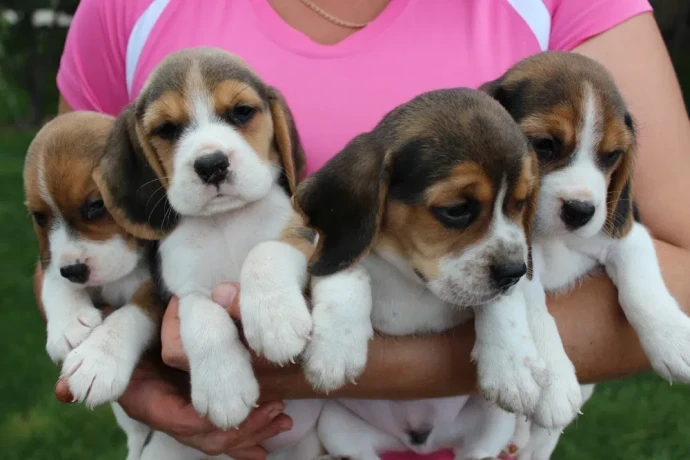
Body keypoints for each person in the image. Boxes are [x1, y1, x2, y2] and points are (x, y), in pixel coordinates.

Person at [37, 0, 690, 458]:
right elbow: (71, 229)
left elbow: (678, 266)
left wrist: (339, 368)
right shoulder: (125, 8)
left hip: (475, 432)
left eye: (242, 114)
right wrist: (132, 358)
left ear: (278, 133)